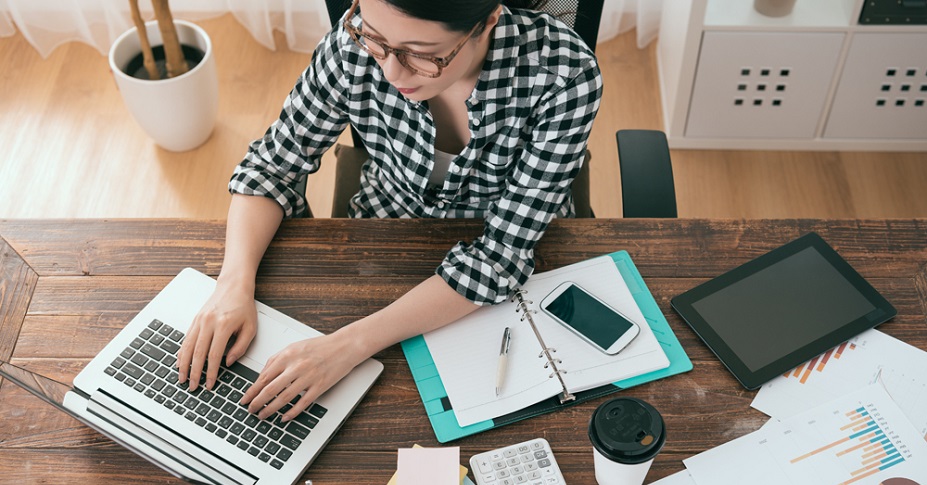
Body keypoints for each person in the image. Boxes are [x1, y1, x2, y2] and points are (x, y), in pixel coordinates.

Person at [176, 0, 603, 424]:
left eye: (421, 53)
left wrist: (348, 346)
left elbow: (500, 257)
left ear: (487, 20)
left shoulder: (564, 76)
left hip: (513, 269)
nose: (392, 72)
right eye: (377, 41)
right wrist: (231, 285)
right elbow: (271, 167)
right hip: (384, 232)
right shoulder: (352, 46)